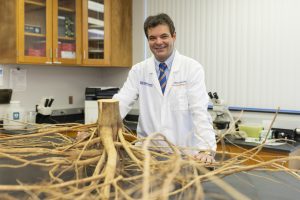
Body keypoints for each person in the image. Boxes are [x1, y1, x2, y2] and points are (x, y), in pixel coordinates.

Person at [113, 13, 216, 163]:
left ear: (174, 36)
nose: (158, 42)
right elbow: (120, 103)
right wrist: (94, 128)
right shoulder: (138, 71)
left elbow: (199, 111)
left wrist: (206, 149)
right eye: (152, 38)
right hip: (148, 155)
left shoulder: (192, 68)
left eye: (164, 36)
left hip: (184, 155)